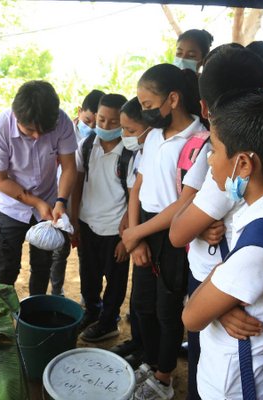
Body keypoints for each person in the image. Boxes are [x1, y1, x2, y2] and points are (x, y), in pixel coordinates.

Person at [182, 88, 263, 400]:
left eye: (214, 149)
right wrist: (220, 305)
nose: (210, 160)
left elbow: (192, 317)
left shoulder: (262, 243)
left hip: (235, 385)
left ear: (243, 164)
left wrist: (213, 302)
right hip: (248, 372)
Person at [169, 43, 263, 400]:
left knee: (206, 377)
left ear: (203, 108)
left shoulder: (221, 158)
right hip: (249, 294)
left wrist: (215, 304)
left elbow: (178, 230)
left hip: (220, 290)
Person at [121, 63, 205, 400]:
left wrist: (137, 231)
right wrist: (135, 234)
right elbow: (137, 186)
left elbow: (184, 204)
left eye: (148, 105)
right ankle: (150, 362)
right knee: (142, 305)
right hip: (143, 228)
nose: (144, 112)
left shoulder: (200, 142)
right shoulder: (154, 135)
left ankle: (164, 377)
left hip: (173, 236)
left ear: (173, 98)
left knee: (168, 310)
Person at [0, 80, 77, 295]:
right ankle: (2, 322)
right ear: (16, 115)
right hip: (9, 207)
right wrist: (36, 202)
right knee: (7, 268)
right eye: (30, 130)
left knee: (42, 266)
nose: (37, 136)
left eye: (44, 131)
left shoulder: (62, 121)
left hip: (48, 201)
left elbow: (69, 167)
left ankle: (36, 315)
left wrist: (61, 201)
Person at [69, 93, 132, 341]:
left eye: (113, 122)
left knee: (115, 280)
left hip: (115, 229)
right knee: (89, 275)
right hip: (87, 223)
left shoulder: (129, 152)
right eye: (101, 120)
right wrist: (74, 219)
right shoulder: (87, 145)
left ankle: (109, 321)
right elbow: (77, 184)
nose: (105, 127)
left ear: (124, 122)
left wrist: (126, 237)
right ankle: (92, 312)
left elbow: (133, 197)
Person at [48, 90, 104, 297]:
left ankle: (86, 297)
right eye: (87, 120)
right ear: (80, 111)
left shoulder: (101, 140)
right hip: (60, 201)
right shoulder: (63, 131)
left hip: (86, 205)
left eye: (96, 123)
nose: (90, 127)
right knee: (59, 252)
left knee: (86, 254)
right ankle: (56, 292)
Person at [108, 97, 150, 367]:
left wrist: (135, 233)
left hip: (149, 230)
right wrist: (128, 222)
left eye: (130, 131)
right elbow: (134, 190)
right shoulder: (139, 153)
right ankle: (137, 342)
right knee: (138, 297)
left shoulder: (158, 150)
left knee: (148, 303)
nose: (125, 136)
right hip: (136, 225)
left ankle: (149, 353)